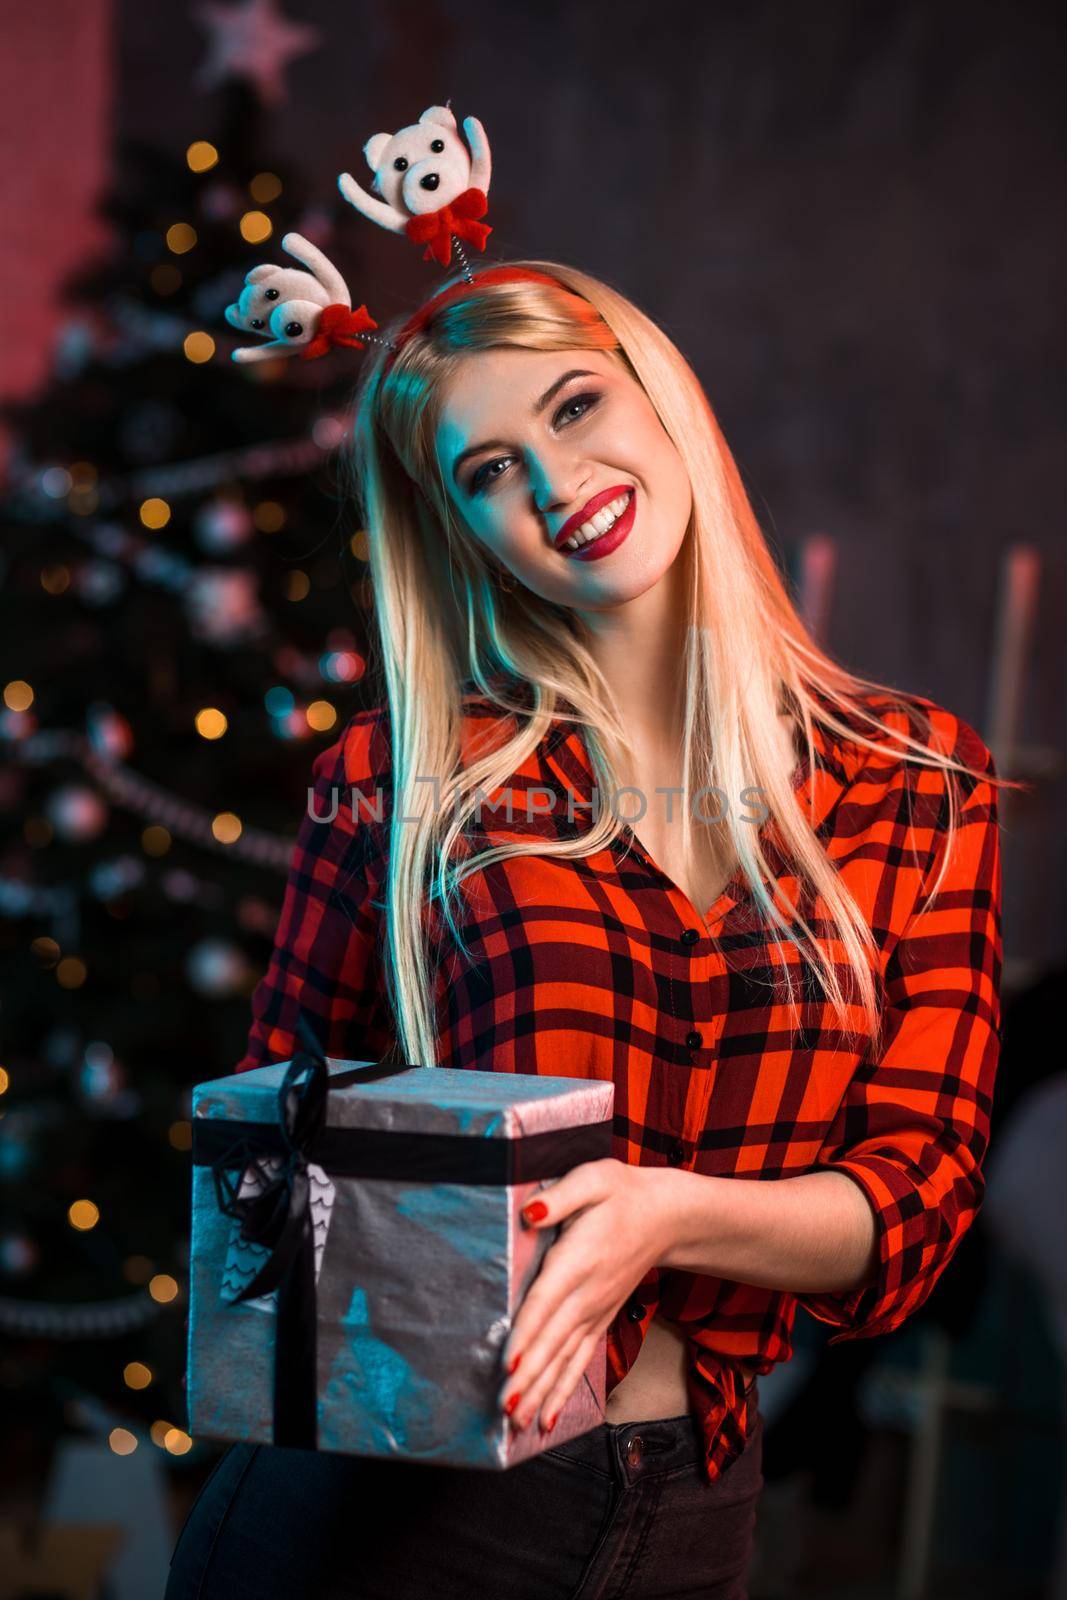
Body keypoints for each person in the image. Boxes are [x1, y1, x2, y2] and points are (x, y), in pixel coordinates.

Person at [167, 260, 1011, 1599]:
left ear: (661, 397)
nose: (556, 489)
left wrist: (665, 1218)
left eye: (573, 409)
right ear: (461, 531)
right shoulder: (402, 778)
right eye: (489, 470)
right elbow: (263, 1155)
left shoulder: (919, 782)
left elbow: (918, 1203)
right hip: (389, 1508)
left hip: (694, 1506)